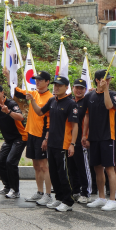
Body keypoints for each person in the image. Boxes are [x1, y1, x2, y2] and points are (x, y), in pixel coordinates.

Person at [27, 76, 78, 211]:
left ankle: (68, 201)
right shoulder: (52, 100)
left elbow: (75, 126)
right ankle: (59, 198)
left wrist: (72, 144)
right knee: (54, 173)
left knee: (63, 174)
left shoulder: (70, 103)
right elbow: (39, 112)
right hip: (52, 144)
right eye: (55, 85)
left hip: (63, 144)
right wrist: (32, 100)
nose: (56, 87)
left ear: (66, 87)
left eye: (60, 85)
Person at [4, 70, 53, 205]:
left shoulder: (50, 98)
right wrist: (9, 78)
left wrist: (46, 138)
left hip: (42, 135)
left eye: (40, 80)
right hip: (31, 133)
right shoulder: (33, 93)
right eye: (36, 79)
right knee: (36, 165)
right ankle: (39, 192)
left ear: (47, 82)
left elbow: (50, 119)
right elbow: (18, 91)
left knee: (44, 166)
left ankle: (48, 195)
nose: (37, 82)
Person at [82, 69, 116, 211]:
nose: (108, 80)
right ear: (98, 80)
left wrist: (106, 90)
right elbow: (87, 116)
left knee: (110, 168)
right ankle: (101, 197)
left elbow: (109, 106)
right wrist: (84, 135)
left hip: (108, 136)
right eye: (105, 79)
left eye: (109, 79)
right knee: (97, 168)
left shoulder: (113, 95)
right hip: (94, 137)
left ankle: (112, 200)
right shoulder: (89, 96)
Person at [69, 79, 92, 203]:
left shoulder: (87, 102)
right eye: (77, 87)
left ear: (85, 90)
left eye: (82, 88)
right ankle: (76, 191)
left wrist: (86, 137)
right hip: (70, 139)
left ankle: (86, 193)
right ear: (72, 88)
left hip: (82, 139)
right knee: (72, 166)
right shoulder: (70, 101)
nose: (79, 90)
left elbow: (89, 121)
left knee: (83, 167)